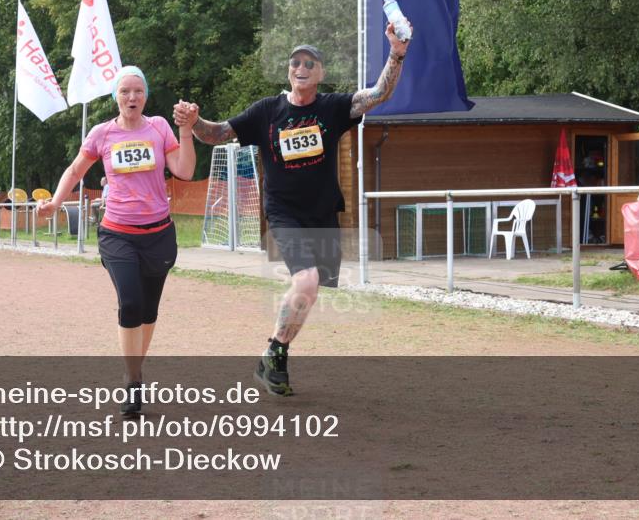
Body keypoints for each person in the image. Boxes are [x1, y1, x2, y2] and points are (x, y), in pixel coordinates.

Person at [174, 22, 411, 396]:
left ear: (321, 73)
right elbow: (217, 133)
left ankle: (275, 356)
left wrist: (397, 53)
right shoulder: (267, 111)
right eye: (294, 62)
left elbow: (379, 93)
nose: (301, 67)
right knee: (307, 281)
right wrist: (192, 122)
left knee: (311, 291)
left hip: (322, 215)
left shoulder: (332, 108)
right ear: (288, 71)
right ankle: (274, 352)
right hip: (284, 213)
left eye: (309, 62)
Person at [38, 65, 195, 417]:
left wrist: (186, 130)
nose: (132, 97)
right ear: (115, 97)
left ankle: (134, 369)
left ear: (146, 95)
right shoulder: (102, 134)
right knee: (130, 303)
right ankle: (134, 379)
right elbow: (76, 170)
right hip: (117, 233)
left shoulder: (160, 128)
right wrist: (55, 202)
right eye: (124, 91)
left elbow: (184, 171)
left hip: (158, 234)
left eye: (138, 91)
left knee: (149, 310)